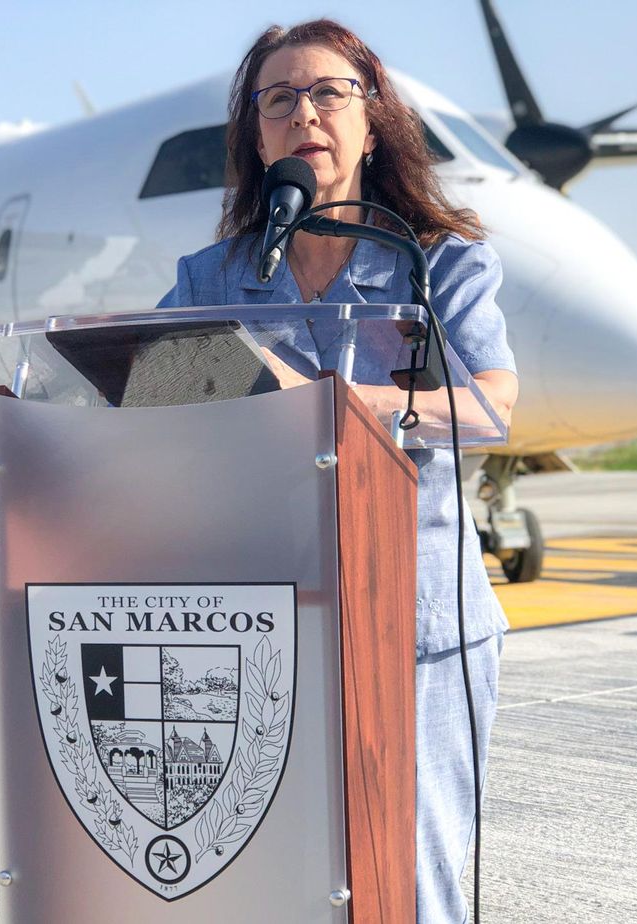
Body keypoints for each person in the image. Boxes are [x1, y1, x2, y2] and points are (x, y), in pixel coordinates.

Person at [157, 19, 519, 924]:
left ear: (372, 120)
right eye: (277, 99)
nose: (303, 113)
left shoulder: (438, 260)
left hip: (419, 625)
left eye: (328, 93)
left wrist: (354, 409)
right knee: (275, 873)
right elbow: (145, 392)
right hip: (261, 625)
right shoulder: (212, 278)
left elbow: (490, 406)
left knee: (409, 876)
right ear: (255, 134)